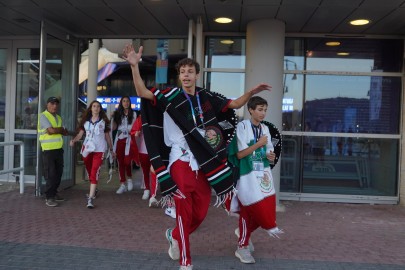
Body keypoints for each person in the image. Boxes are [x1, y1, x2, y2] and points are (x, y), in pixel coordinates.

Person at [122, 44, 271, 270]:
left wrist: (251, 93)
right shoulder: (169, 95)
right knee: (183, 211)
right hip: (180, 160)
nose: (186, 75)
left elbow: (234, 105)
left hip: (202, 163)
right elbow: (143, 92)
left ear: (197, 75)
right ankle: (185, 261)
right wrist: (135, 66)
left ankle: (173, 235)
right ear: (179, 75)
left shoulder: (206, 96)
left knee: (199, 214)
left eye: (190, 72)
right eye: (182, 72)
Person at [227, 96, 283, 264]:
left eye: (265, 110)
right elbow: (239, 154)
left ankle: (244, 232)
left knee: (266, 211)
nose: (263, 113)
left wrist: (270, 155)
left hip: (263, 175)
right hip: (246, 174)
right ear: (250, 110)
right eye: (259, 109)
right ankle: (242, 246)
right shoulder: (242, 127)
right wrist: (259, 144)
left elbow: (267, 153)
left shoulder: (265, 129)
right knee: (247, 211)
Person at [70, 100, 115, 209]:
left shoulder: (103, 121)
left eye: (98, 106)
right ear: (90, 108)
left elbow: (107, 136)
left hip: (99, 150)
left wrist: (111, 149)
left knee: (94, 171)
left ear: (100, 109)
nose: (96, 108)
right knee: (90, 170)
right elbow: (80, 134)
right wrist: (74, 140)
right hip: (87, 149)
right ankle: (94, 187)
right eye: (94, 106)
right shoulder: (85, 121)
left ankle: (90, 198)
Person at [38, 97, 69, 207]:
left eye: (56, 104)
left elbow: (64, 132)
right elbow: (51, 131)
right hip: (48, 150)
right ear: (47, 104)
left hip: (58, 149)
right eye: (52, 103)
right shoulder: (43, 116)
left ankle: (54, 193)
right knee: (50, 174)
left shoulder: (58, 118)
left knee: (58, 173)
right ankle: (49, 197)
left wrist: (59, 130)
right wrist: (60, 129)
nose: (55, 106)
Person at [111, 96, 137, 194]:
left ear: (130, 103)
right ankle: (122, 183)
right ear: (121, 103)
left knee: (127, 161)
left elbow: (134, 127)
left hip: (129, 139)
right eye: (124, 101)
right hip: (120, 139)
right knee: (120, 162)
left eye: (127, 101)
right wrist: (112, 118)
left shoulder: (133, 113)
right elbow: (113, 128)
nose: (126, 103)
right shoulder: (118, 114)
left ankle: (129, 178)